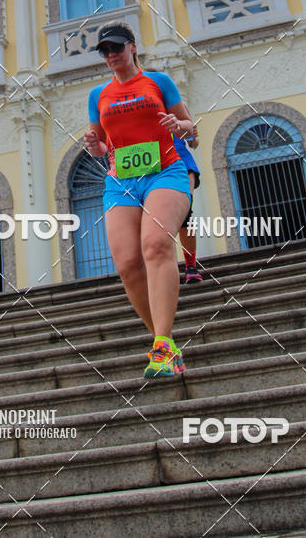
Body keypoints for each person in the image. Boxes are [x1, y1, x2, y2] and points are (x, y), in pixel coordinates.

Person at [84, 22, 193, 377]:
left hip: (165, 172)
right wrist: (94, 147)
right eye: (105, 51)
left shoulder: (158, 82)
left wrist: (182, 129)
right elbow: (102, 144)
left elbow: (191, 127)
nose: (111, 55)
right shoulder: (97, 95)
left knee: (156, 244)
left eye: (116, 47)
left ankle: (161, 344)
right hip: (121, 182)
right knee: (128, 263)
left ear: (133, 47)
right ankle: (165, 346)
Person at [174, 122, 203, 284]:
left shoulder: (173, 102)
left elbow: (193, 142)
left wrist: (193, 136)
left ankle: (191, 266)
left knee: (185, 215)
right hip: (155, 168)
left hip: (183, 164)